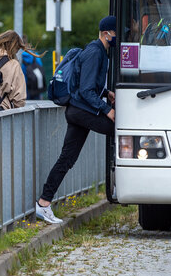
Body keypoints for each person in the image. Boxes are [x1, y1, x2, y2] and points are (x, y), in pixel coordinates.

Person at [36, 16, 116, 224]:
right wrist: (107, 109)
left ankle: (44, 203)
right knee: (118, 129)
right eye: (117, 33)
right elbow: (86, 90)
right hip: (80, 111)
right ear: (107, 33)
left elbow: (89, 83)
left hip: (79, 111)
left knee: (67, 158)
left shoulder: (99, 52)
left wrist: (107, 93)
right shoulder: (95, 52)